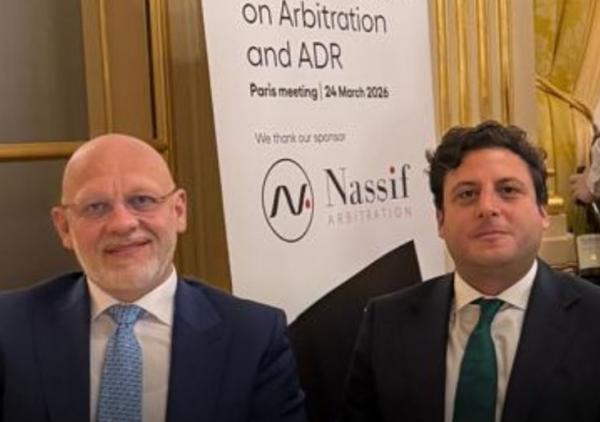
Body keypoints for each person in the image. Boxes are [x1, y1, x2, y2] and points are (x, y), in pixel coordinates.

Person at [0, 134, 306, 422]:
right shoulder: (9, 330)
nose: (122, 223)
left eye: (142, 200)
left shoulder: (253, 338)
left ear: (179, 211)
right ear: (64, 227)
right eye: (96, 207)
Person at [341, 121, 600, 422]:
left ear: (543, 211)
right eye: (467, 194)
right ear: (440, 220)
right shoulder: (385, 324)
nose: (487, 208)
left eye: (508, 190)